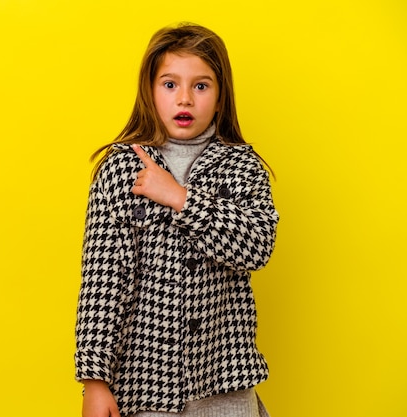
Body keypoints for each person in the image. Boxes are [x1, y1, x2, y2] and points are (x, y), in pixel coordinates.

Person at [75, 23, 279, 417]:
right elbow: (103, 280)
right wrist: (94, 382)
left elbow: (256, 246)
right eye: (170, 85)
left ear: (220, 98)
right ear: (150, 91)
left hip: (224, 381)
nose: (184, 98)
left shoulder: (242, 167)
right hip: (143, 384)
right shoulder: (120, 170)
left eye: (201, 86)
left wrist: (179, 197)